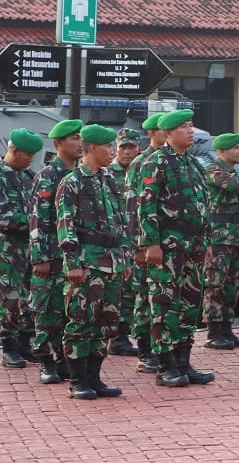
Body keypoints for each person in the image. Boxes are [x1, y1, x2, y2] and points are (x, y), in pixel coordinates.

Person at [139, 108, 215, 387]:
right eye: (184, 126)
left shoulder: (193, 164)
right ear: (169, 134)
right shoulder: (156, 162)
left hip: (193, 246)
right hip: (168, 246)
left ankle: (184, 362)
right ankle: (165, 365)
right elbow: (146, 206)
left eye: (191, 125)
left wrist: (206, 240)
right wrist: (151, 243)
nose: (190, 130)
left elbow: (203, 206)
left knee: (189, 305)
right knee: (165, 304)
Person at [57, 124, 131, 400]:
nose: (112, 152)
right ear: (92, 148)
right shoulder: (73, 182)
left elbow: (122, 222)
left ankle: (94, 377)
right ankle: (77, 380)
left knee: (107, 322)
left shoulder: (109, 179)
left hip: (112, 263)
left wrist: (124, 260)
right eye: (108, 147)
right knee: (81, 320)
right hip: (87, 263)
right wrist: (73, 262)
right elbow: (66, 224)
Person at [30, 118, 82, 385]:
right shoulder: (48, 176)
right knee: (47, 310)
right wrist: (40, 257)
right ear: (58, 143)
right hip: (51, 255)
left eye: (81, 137)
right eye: (73, 138)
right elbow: (38, 219)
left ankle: (64, 361)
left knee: (69, 310)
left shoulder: (82, 175)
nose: (80, 143)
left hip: (73, 256)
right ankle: (47, 362)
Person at [201, 133, 239, 351]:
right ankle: (214, 331)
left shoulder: (235, 171)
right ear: (222, 151)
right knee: (215, 284)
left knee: (234, 283)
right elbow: (235, 186)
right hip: (218, 237)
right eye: (235, 148)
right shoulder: (214, 169)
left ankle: (227, 328)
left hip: (236, 236)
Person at [126, 113, 166, 374]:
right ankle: (145, 351)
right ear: (153, 133)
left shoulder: (171, 160)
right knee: (144, 297)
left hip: (167, 245)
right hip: (145, 244)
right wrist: (138, 246)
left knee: (163, 299)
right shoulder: (141, 162)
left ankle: (162, 349)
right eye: (165, 129)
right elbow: (132, 207)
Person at [0, 128, 41, 368]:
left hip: (29, 248)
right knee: (9, 298)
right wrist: (35, 223)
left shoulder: (28, 176)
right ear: (13, 150)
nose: (31, 159)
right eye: (27, 155)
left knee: (30, 296)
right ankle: (9, 347)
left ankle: (25, 342)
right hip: (6, 250)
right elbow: (4, 216)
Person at [103, 128, 141, 358]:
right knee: (119, 291)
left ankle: (124, 335)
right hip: (116, 242)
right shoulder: (108, 173)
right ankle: (116, 337)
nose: (127, 152)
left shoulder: (142, 170)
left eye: (131, 147)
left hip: (137, 241)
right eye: (123, 147)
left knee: (132, 290)